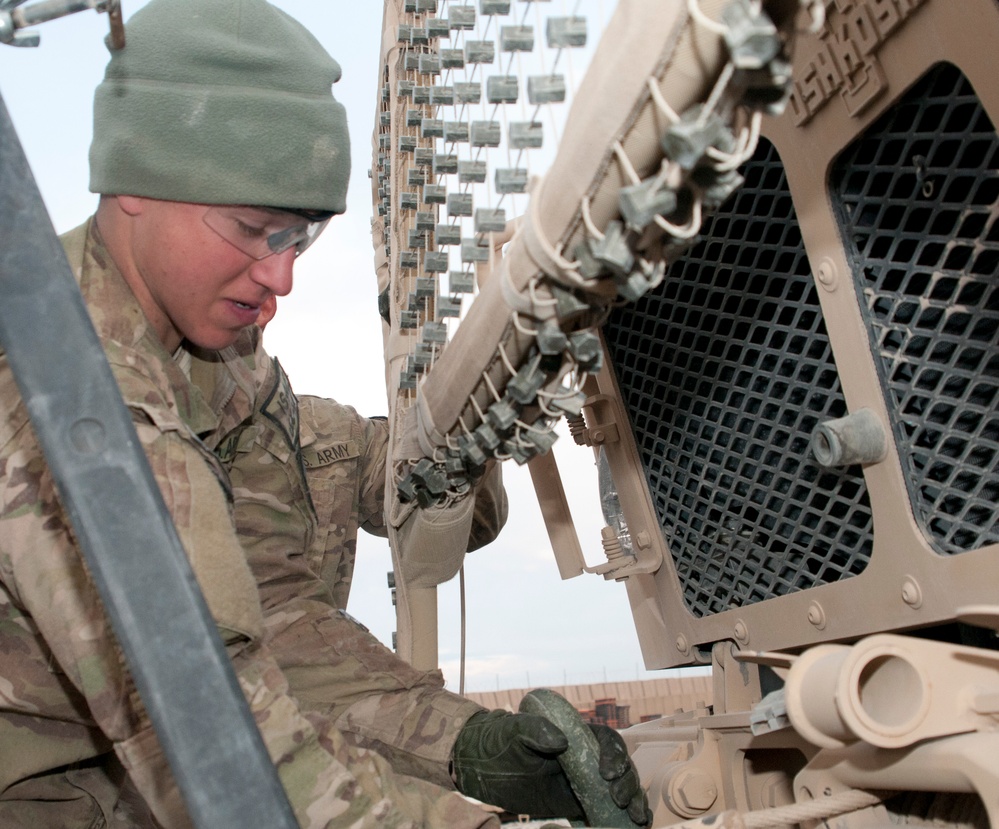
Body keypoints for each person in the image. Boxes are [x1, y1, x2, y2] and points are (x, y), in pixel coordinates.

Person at [0, 0, 652, 826]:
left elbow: (272, 620)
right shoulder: (57, 396)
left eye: (298, 239)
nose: (281, 281)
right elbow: (224, 746)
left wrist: (466, 745)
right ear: (132, 184)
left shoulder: (222, 372)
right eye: (251, 229)